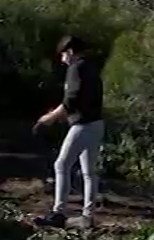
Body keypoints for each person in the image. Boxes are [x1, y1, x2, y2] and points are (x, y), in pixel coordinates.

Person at [32, 35, 104, 228]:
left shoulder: (76, 68)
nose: (62, 59)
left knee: (61, 165)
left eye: (63, 54)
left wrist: (49, 118)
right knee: (89, 172)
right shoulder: (90, 68)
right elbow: (82, 100)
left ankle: (58, 212)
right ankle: (88, 216)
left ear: (70, 51)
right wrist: (60, 113)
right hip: (96, 123)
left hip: (82, 125)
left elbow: (70, 100)